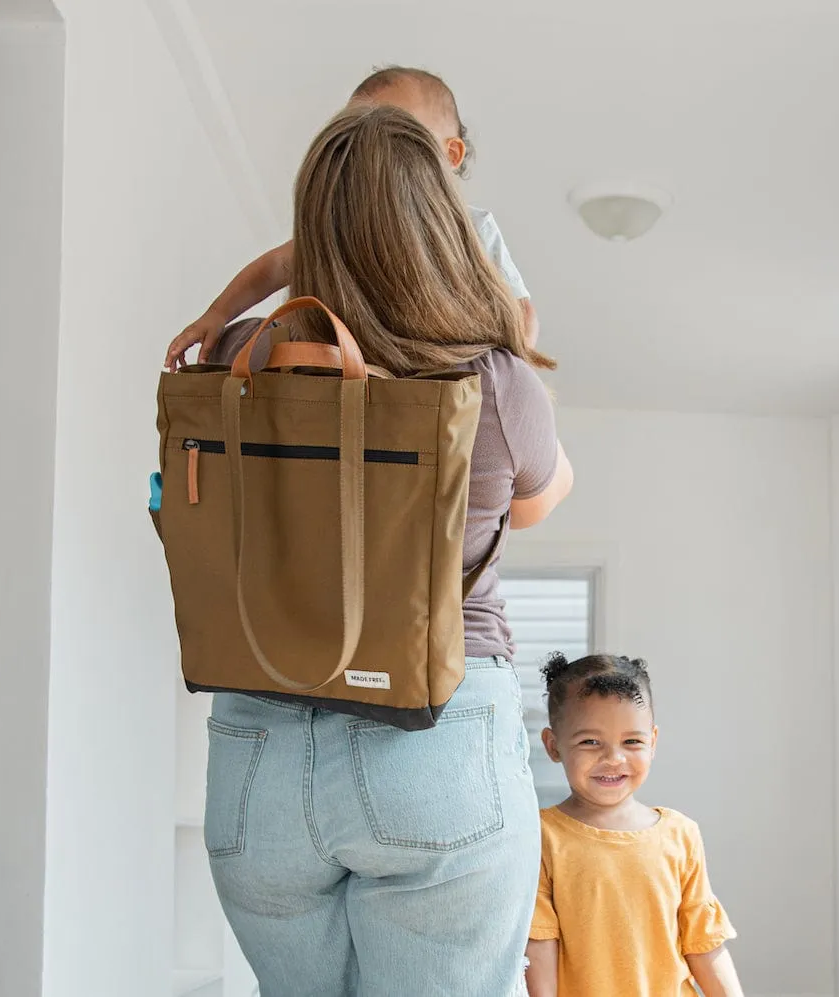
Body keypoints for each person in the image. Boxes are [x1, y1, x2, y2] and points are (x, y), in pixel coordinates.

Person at [199, 104, 573, 997]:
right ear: (439, 222)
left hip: (259, 752)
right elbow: (537, 505)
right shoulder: (490, 374)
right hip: (437, 734)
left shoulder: (240, 359)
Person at [164, 65, 538, 371]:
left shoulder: (471, 230)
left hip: (438, 368)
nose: (374, 154)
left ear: (449, 154)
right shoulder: (344, 228)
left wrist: (511, 369)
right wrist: (217, 314)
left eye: (397, 137)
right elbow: (276, 265)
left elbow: (520, 312)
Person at [525, 653, 744, 997]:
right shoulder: (540, 838)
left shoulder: (680, 834)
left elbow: (704, 943)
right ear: (553, 746)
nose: (614, 759)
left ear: (653, 742)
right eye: (590, 742)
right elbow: (539, 946)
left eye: (632, 742)